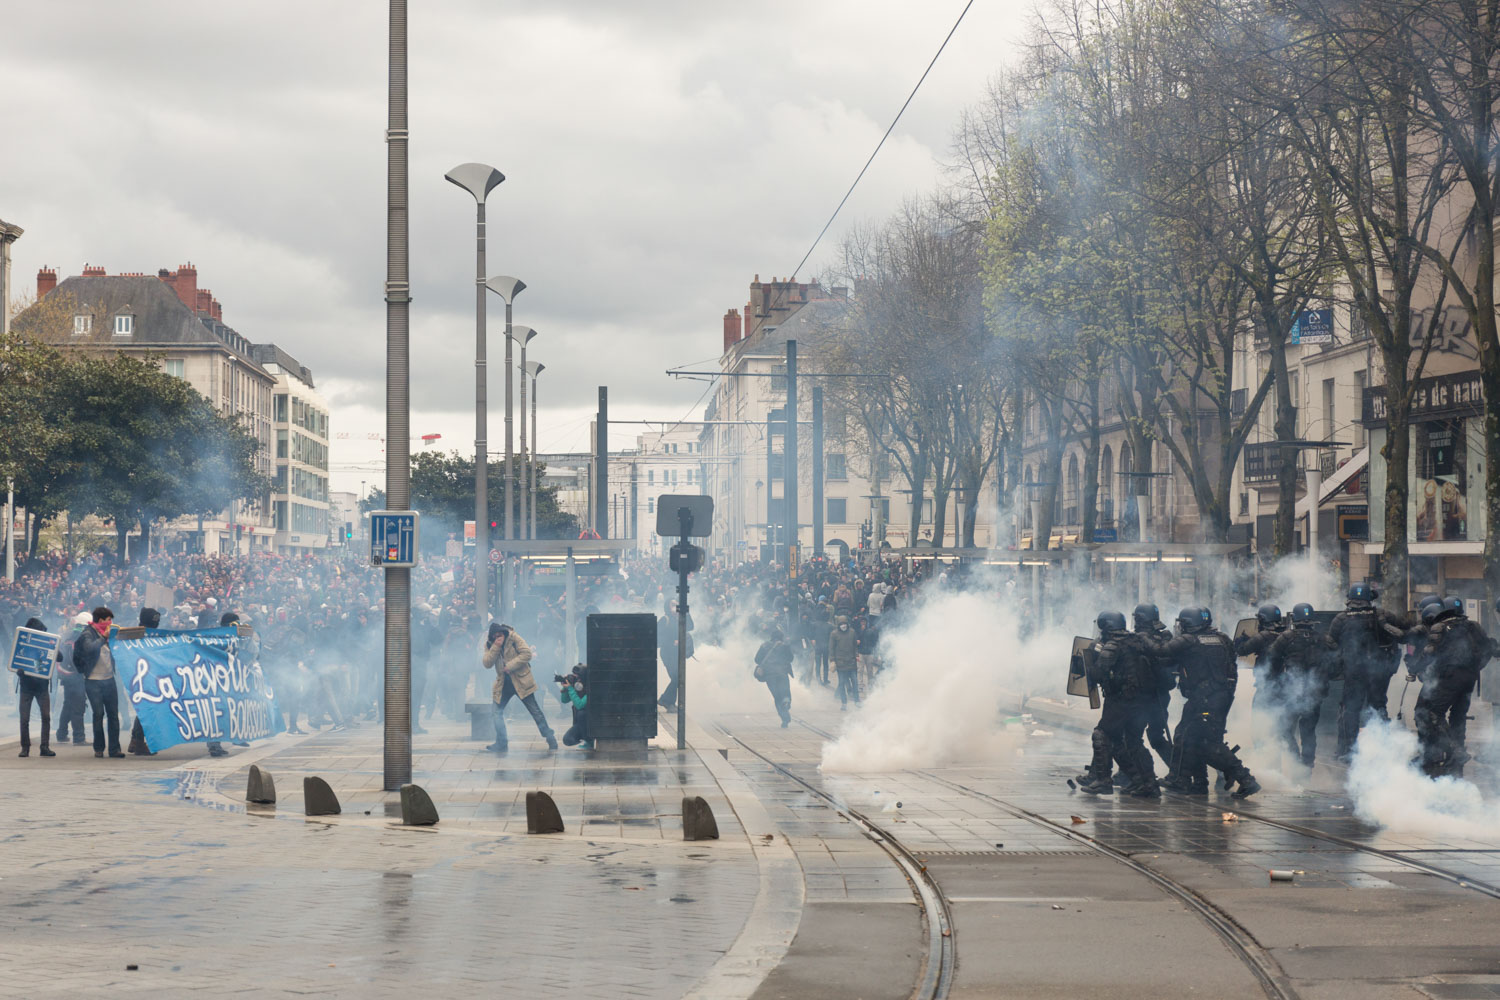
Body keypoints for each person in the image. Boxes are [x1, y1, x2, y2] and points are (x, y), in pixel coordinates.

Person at [1161, 607, 1259, 798]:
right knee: (1191, 738)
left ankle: (1245, 779)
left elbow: (1163, 653)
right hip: (1219, 697)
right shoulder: (1222, 639)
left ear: (1189, 623)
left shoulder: (1190, 640)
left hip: (1204, 698)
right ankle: (1196, 782)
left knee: (1203, 741)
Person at [1077, 611, 1159, 797]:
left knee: (1102, 734)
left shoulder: (1112, 645)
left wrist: (1089, 664)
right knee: (1133, 742)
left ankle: (1103, 781)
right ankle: (1147, 783)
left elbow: (1099, 673)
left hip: (1121, 700)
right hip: (1144, 701)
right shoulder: (1137, 640)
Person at [1412, 596, 1490, 777]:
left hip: (1450, 677)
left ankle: (1455, 752)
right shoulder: (1473, 626)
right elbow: (1487, 649)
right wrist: (1475, 668)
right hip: (1470, 679)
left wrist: (1417, 668)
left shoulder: (1440, 627)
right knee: (1458, 716)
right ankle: (1454, 760)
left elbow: (1429, 653)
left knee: (1432, 714)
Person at [1328, 582, 1406, 760]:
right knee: (1378, 707)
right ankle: (1381, 748)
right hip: (1378, 672)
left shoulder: (1341, 619)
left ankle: (1349, 750)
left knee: (1350, 710)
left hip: (1353, 672)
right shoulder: (1382, 616)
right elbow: (1404, 631)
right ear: (1368, 599)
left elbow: (1330, 643)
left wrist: (1339, 660)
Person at [1267, 603, 1336, 768]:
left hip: (1292, 691)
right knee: (1308, 730)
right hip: (1315, 692)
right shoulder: (1323, 638)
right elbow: (1335, 661)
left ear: (1294, 618)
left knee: (1284, 729)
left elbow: (1272, 657)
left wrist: (1277, 679)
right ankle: (1307, 764)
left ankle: (1295, 760)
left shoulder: (1286, 637)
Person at [483, 623, 557, 752]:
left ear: (503, 633)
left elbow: (527, 654)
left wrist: (510, 666)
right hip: (503, 684)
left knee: (535, 712)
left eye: (499, 635)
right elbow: (487, 663)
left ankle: (550, 738)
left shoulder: (513, 638)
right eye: (494, 636)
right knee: (496, 712)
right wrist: (496, 646)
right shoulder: (491, 644)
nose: (497, 637)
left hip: (521, 680)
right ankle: (501, 742)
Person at [73, 606, 124, 759]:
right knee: (98, 714)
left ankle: (114, 749)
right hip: (93, 681)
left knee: (113, 715)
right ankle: (99, 748)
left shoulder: (110, 635)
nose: (110, 623)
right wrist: (103, 638)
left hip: (109, 679)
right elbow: (89, 649)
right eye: (109, 620)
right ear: (101, 620)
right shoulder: (87, 634)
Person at [1131, 603, 1176, 775]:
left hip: (1143, 696)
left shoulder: (1136, 639)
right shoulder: (1165, 638)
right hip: (1161, 695)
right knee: (1156, 736)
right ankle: (1179, 773)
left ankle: (1135, 774)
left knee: (1132, 737)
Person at [16, 616, 56, 758]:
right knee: (24, 718)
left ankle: (44, 746)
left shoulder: (44, 642)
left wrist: (52, 648)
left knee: (45, 716)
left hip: (41, 686)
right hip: (26, 686)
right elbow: (16, 661)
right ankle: (25, 747)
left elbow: (60, 657)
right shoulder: (22, 643)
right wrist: (19, 671)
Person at [127, 607, 162, 756]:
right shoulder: (137, 634)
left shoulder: (142, 634)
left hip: (145, 675)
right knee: (147, 709)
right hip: (141, 675)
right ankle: (139, 742)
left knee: (144, 709)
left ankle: (135, 741)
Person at [54, 611, 90, 746]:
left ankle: (61, 734)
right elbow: (77, 660)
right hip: (75, 676)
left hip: (66, 675)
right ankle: (79, 737)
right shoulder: (78, 638)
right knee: (78, 707)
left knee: (68, 705)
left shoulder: (69, 635)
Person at [754, 627, 795, 727]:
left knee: (777, 697)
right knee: (785, 692)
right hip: (782, 673)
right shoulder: (785, 646)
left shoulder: (764, 646)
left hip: (770, 675)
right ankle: (787, 701)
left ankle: (784, 719)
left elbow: (757, 659)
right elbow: (790, 658)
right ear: (781, 637)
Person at [656, 601, 694, 710]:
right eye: (672, 605)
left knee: (677, 678)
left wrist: (686, 613)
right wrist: (672, 641)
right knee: (676, 676)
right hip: (668, 653)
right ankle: (665, 701)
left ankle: (670, 703)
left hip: (677, 652)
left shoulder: (679, 618)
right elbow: (658, 637)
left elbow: (690, 627)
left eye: (676, 604)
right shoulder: (665, 619)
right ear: (667, 607)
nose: (675, 607)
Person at [555, 664, 590, 749]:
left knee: (582, 713)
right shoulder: (576, 684)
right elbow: (564, 700)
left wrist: (571, 689)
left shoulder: (590, 687)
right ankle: (584, 736)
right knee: (568, 740)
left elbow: (579, 705)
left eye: (577, 677)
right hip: (580, 723)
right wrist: (565, 689)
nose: (576, 678)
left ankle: (589, 741)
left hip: (591, 723)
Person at [828, 614, 859, 710]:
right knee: (841, 683)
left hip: (851, 662)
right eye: (841, 624)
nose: (843, 625)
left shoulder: (852, 632)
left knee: (855, 682)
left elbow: (855, 646)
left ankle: (857, 700)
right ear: (838, 625)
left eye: (845, 623)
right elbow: (831, 648)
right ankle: (844, 702)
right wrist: (832, 660)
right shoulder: (834, 634)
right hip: (840, 663)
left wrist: (856, 654)